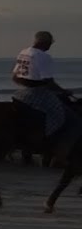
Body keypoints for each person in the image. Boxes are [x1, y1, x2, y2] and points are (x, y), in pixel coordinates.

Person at [12, 31, 82, 163]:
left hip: (20, 93)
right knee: (74, 122)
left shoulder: (24, 52)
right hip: (38, 94)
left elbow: (15, 77)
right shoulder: (44, 56)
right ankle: (60, 154)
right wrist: (64, 91)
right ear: (46, 42)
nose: (50, 45)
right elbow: (48, 81)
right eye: (50, 43)